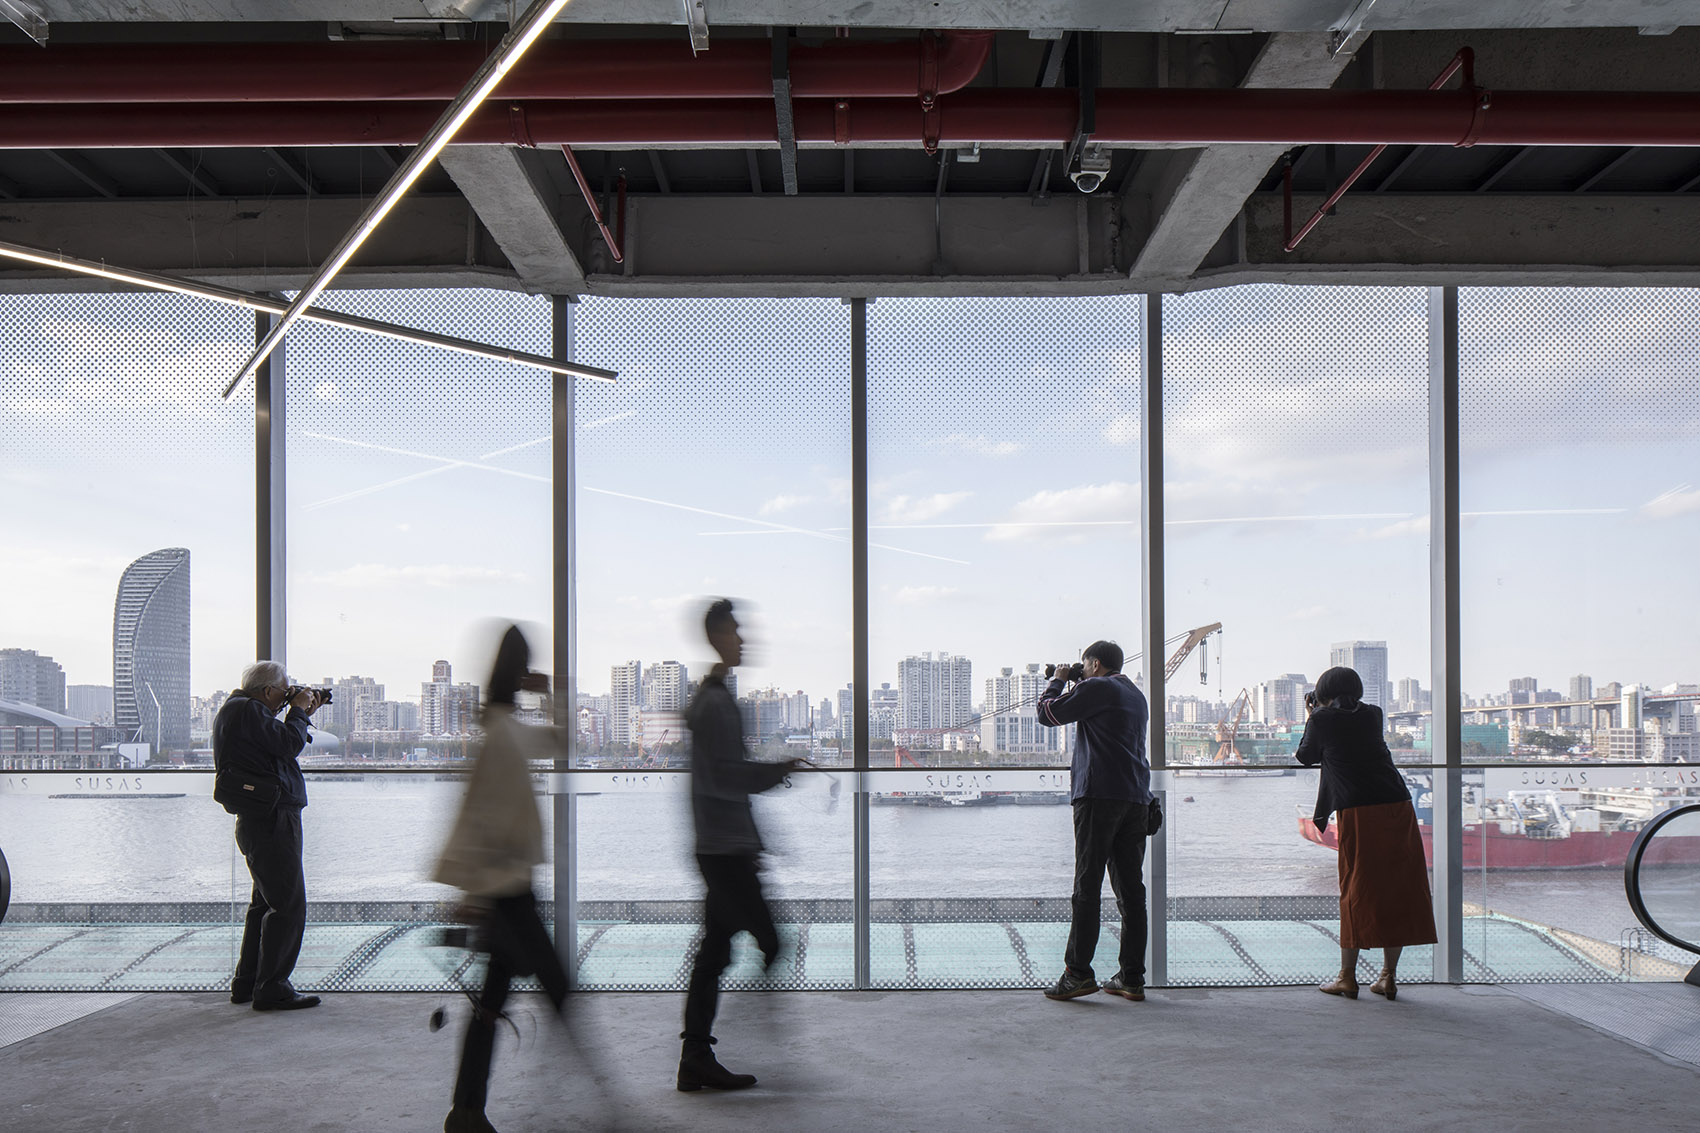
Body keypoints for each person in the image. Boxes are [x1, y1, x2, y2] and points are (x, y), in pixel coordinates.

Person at [434, 626, 571, 1133]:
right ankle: (590, 1098)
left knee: (493, 1004)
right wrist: (473, 894)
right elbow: (478, 817)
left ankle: (465, 1110)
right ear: (514, 672)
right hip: (506, 893)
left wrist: (550, 695)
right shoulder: (498, 734)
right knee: (557, 989)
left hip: (508, 888)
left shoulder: (504, 728)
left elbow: (561, 740)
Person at [677, 599, 810, 1092]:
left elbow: (720, 776)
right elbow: (723, 777)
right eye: (735, 631)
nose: (743, 638)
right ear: (715, 636)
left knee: (714, 952)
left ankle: (696, 1057)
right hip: (724, 849)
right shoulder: (713, 702)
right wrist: (777, 771)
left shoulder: (712, 695)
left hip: (722, 845)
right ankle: (745, 1035)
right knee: (769, 942)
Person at [1295, 665, 1437, 1001]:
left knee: (1355, 890)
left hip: (1359, 811)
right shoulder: (1373, 714)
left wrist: (1312, 713)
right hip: (1398, 806)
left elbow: (1305, 756)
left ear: (1321, 693)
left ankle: (1347, 977)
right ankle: (1387, 977)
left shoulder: (1321, 719)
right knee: (1398, 889)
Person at [1035, 640, 1156, 1003]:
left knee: (1086, 889)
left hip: (1099, 796)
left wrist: (1058, 680)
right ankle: (1132, 977)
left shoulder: (1098, 687)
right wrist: (1079, 680)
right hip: (1136, 798)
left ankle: (1078, 974)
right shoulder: (1134, 694)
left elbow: (1048, 714)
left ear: (1096, 663)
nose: (1081, 671)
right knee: (1131, 893)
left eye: (1084, 666)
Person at [212, 660, 326, 1011]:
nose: (286, 696)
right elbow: (289, 743)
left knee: (264, 904)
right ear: (266, 691)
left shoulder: (239, 711)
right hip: (272, 819)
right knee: (288, 904)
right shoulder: (246, 710)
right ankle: (273, 986)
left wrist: (296, 708)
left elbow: (272, 744)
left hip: (259, 818)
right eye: (282, 690)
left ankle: (248, 982)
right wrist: (298, 711)